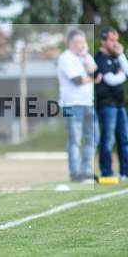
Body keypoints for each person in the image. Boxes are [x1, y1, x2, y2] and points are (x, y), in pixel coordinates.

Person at [57, 29, 100, 182]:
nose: (82, 45)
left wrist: (87, 60)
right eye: (78, 42)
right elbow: (77, 80)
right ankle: (75, 173)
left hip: (88, 103)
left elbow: (98, 76)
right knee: (74, 139)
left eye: (83, 42)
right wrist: (91, 77)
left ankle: (85, 170)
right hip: (70, 104)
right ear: (70, 43)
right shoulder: (65, 58)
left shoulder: (86, 57)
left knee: (94, 137)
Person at [94, 27, 128, 180]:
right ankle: (107, 171)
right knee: (108, 139)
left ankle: (125, 172)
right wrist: (122, 74)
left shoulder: (116, 57)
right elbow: (111, 80)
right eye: (112, 40)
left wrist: (121, 55)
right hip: (107, 105)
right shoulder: (99, 58)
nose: (115, 43)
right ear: (103, 41)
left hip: (120, 104)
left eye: (116, 40)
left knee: (124, 138)